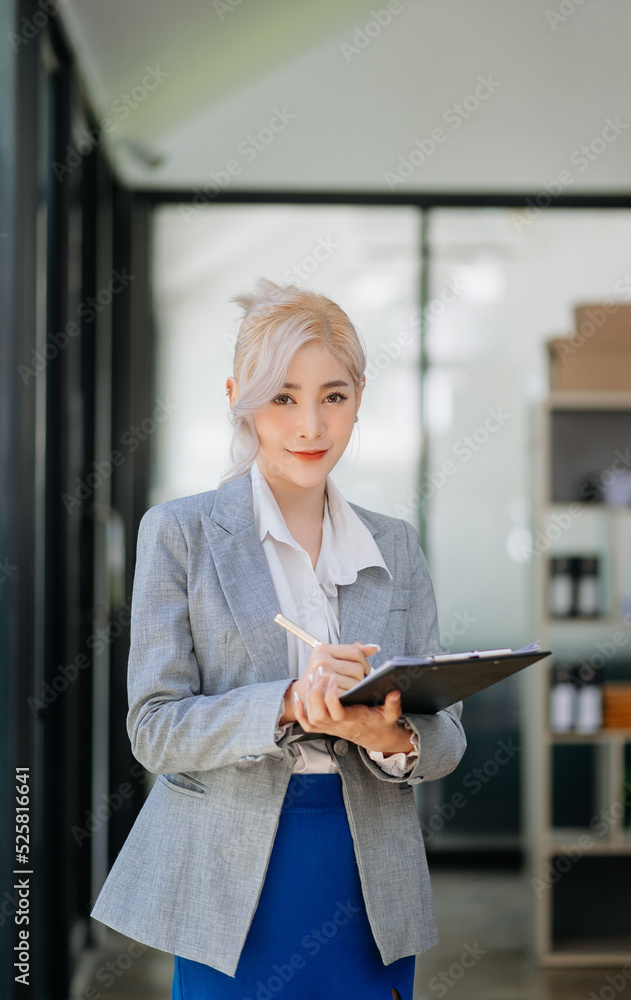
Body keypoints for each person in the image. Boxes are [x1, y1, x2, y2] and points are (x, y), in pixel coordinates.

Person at [90, 279, 467, 1000]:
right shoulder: (179, 534)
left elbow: (446, 737)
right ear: (239, 397)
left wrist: (383, 735)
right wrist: (291, 701)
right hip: (228, 888)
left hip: (369, 882)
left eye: (333, 395)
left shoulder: (397, 546)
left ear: (360, 395)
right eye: (282, 397)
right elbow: (154, 730)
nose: (310, 426)